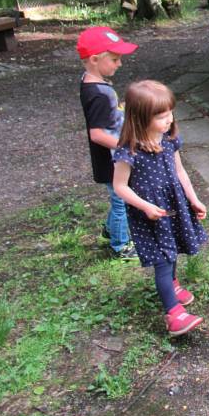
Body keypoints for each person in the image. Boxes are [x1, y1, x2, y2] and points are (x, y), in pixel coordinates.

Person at [112, 80, 208, 336]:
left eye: (170, 113)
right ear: (140, 118)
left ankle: (173, 285)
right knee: (163, 260)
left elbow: (180, 172)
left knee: (173, 249)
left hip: (174, 205)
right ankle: (173, 314)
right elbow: (120, 186)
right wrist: (145, 207)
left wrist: (194, 199)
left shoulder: (169, 140)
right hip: (151, 214)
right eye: (161, 116)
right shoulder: (129, 151)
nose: (169, 120)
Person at [77, 26, 138, 260]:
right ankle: (120, 244)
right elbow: (97, 134)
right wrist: (127, 146)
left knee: (118, 197)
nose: (119, 64)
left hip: (112, 157)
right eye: (114, 59)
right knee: (122, 200)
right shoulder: (100, 94)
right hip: (113, 159)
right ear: (94, 59)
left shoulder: (91, 83)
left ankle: (112, 228)